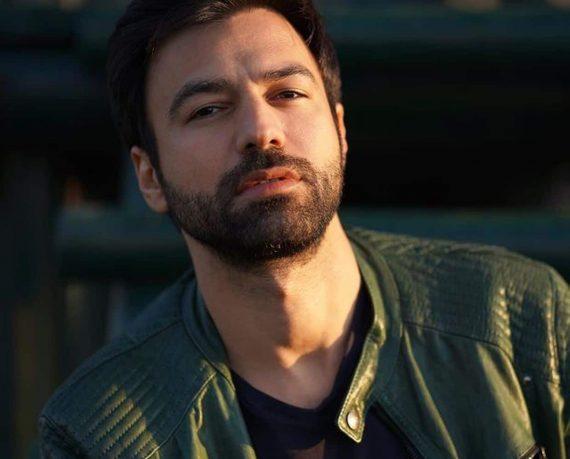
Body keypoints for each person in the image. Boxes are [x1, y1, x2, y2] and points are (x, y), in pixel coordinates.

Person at [38, 0, 568, 457]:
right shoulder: (96, 435)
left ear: (340, 129)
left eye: (287, 93)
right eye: (208, 110)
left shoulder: (518, 319)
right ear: (150, 177)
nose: (260, 130)